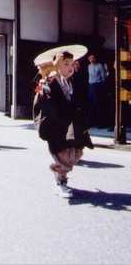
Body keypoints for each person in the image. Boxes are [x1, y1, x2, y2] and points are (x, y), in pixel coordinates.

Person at [33, 46, 93, 199]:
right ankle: (61, 183)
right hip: (55, 124)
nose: (70, 67)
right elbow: (45, 104)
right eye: (66, 64)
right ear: (57, 65)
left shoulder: (70, 82)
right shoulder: (48, 82)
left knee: (75, 153)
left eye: (72, 64)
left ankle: (61, 178)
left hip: (69, 124)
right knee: (62, 155)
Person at [87, 54, 107, 127]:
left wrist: (101, 87)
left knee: (98, 104)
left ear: (95, 59)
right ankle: (92, 122)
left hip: (98, 86)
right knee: (91, 104)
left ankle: (101, 123)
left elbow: (103, 77)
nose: (91, 60)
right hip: (90, 86)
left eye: (93, 58)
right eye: (90, 59)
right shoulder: (88, 66)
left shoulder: (100, 65)